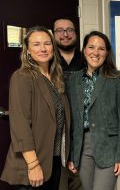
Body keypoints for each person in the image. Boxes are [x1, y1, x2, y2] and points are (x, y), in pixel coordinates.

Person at [0, 26, 71, 190]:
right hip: (33, 161)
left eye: (47, 43)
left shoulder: (56, 78)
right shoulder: (22, 77)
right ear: (28, 51)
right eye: (37, 44)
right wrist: (33, 165)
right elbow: (20, 125)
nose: (43, 48)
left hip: (53, 160)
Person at [67, 31, 120, 190]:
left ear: (107, 52)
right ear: (84, 50)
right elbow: (72, 120)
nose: (95, 52)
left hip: (109, 148)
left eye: (101, 49)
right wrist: (72, 155)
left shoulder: (116, 78)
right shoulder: (73, 79)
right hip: (82, 149)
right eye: (91, 47)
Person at [53, 18, 83, 190]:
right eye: (60, 30)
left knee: (81, 183)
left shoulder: (87, 58)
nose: (65, 34)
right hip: (57, 134)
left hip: (82, 134)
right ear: (54, 34)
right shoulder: (47, 60)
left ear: (75, 33)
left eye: (69, 30)